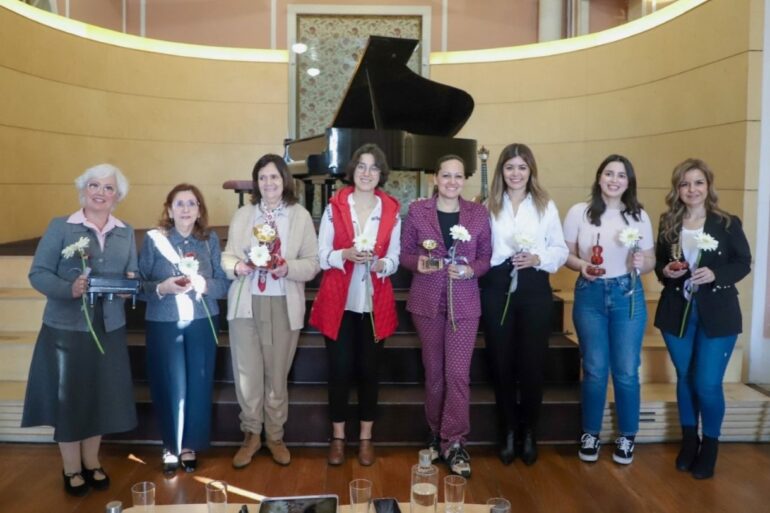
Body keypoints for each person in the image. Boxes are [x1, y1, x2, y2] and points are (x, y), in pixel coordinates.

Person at [22, 163, 138, 496]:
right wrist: (69, 289)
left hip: (108, 328)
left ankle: (92, 461)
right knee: (69, 400)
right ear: (83, 190)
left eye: (109, 188)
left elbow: (131, 273)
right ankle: (71, 468)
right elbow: (38, 274)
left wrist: (128, 285)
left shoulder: (125, 231)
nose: (101, 192)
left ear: (118, 196)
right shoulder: (61, 227)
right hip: (66, 328)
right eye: (94, 186)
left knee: (100, 397)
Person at [654, 158, 751, 479]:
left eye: (697, 182)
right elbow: (660, 265)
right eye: (684, 184)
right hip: (676, 313)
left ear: (708, 186)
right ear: (677, 189)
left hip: (718, 315)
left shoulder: (726, 223)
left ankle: (709, 445)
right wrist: (666, 271)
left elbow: (743, 262)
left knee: (707, 383)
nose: (691, 189)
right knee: (684, 377)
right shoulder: (668, 222)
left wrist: (716, 274)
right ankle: (688, 442)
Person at [222, 154, 319, 468]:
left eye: (274, 177)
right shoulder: (243, 216)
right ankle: (251, 434)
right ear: (256, 183)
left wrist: (286, 267)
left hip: (282, 303)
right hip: (246, 303)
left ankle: (275, 436)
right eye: (262, 178)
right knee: (247, 375)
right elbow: (227, 258)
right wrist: (238, 266)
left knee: (276, 375)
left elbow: (313, 264)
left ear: (285, 180)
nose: (268, 183)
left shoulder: (299, 216)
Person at [309, 143, 401, 467]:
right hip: (340, 302)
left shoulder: (391, 209)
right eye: (361, 166)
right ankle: (337, 437)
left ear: (381, 174)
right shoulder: (336, 206)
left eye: (373, 167)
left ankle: (365, 438)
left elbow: (395, 257)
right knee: (339, 371)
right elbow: (322, 256)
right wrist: (344, 255)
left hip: (374, 304)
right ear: (352, 171)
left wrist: (381, 265)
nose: (366, 173)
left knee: (369, 372)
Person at [401, 154, 491, 477]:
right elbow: (405, 254)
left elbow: (485, 259)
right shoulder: (417, 211)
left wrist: (469, 270)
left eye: (458, 176)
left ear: (463, 180)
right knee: (435, 374)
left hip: (464, 306)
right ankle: (436, 433)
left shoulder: (478, 214)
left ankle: (454, 441)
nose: (452, 182)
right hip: (427, 303)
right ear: (435, 179)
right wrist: (417, 263)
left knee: (457, 374)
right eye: (446, 175)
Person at [563, 154, 655, 465]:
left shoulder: (639, 216)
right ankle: (591, 433)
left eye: (621, 175)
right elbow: (567, 255)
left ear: (629, 182)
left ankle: (627, 436)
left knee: (627, 371)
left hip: (627, 293)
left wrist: (643, 264)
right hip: (590, 294)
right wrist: (583, 266)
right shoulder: (580, 212)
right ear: (599, 177)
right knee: (594, 369)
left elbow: (651, 261)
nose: (614, 180)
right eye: (608, 173)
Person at [479, 144, 567, 466]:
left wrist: (537, 258)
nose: (516, 174)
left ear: (531, 171)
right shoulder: (487, 205)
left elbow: (559, 249)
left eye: (522, 168)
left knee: (531, 363)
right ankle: (507, 432)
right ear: (501, 171)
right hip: (496, 285)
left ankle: (529, 431)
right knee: (501, 363)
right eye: (510, 167)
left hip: (533, 284)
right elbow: (480, 249)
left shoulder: (545, 205)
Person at [138, 183, 229, 473]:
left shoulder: (209, 239)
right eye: (180, 203)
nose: (186, 209)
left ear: (200, 210)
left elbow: (223, 285)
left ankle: (190, 444)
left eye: (192, 203)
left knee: (198, 384)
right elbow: (139, 286)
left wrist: (205, 285)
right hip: (164, 322)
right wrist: (162, 288)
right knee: (169, 383)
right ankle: (170, 445)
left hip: (203, 320)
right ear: (169, 209)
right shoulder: (155, 239)